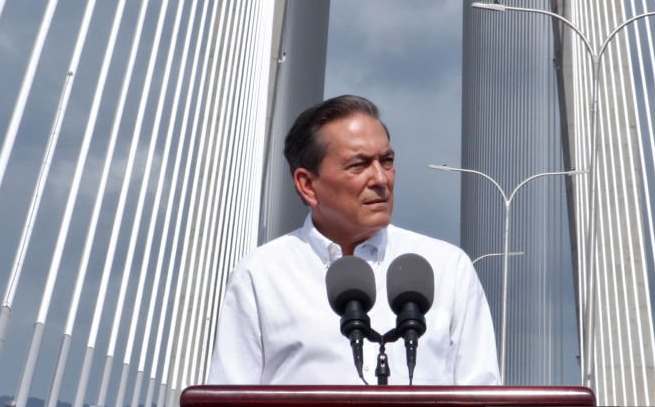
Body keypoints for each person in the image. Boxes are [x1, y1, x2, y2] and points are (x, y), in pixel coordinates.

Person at [206, 95, 499, 385]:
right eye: (358, 165)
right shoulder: (261, 275)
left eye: (387, 161)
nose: (381, 180)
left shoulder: (446, 267)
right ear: (307, 185)